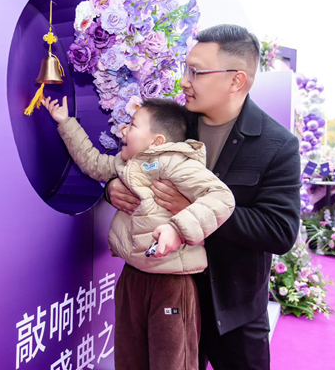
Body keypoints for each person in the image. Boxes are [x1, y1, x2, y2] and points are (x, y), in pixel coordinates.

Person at [106, 24, 301, 370]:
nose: (184, 81)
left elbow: (279, 230)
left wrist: (193, 213)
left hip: (234, 309)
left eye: (196, 72)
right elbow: (125, 163)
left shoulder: (277, 144)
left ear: (235, 80)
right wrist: (111, 189)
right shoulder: (176, 126)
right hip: (168, 295)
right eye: (186, 69)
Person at [43, 95, 235, 370]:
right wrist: (65, 122)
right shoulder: (126, 164)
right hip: (133, 277)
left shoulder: (176, 162)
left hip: (171, 283)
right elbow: (92, 162)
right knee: (128, 358)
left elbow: (221, 197)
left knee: (171, 362)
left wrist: (178, 229)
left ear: (157, 141)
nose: (123, 129)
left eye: (133, 124)